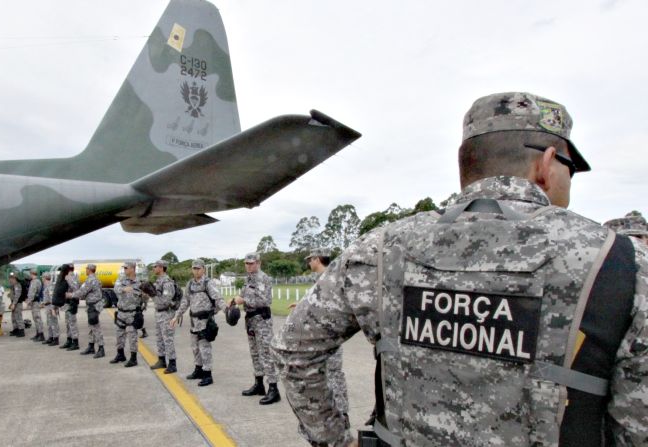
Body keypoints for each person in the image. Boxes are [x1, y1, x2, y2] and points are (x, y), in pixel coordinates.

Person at [273, 92, 648, 446]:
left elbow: (296, 348)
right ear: (547, 164)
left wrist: (334, 439)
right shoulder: (620, 263)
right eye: (572, 168)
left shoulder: (382, 249)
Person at [287, 248, 350, 423]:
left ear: (317, 259)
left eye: (310, 259)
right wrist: (300, 305)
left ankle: (343, 415)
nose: (309, 263)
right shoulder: (324, 278)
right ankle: (335, 415)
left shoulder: (329, 278)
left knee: (334, 374)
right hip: (321, 337)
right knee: (326, 375)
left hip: (329, 335)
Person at [170, 259, 225, 387]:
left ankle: (207, 374)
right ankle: (198, 369)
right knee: (195, 348)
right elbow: (185, 302)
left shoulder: (208, 283)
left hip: (205, 321)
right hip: (194, 321)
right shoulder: (190, 284)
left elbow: (218, 298)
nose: (196, 271)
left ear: (203, 269)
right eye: (194, 268)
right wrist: (176, 316)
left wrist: (226, 310)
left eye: (198, 268)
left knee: (204, 348)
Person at [234, 252, 280, 404]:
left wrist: (244, 299)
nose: (249, 266)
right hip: (251, 320)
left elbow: (266, 300)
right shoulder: (248, 279)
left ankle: (273, 388)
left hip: (262, 320)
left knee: (266, 353)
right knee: (255, 353)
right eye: (246, 263)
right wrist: (234, 301)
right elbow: (243, 295)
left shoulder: (263, 278)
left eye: (252, 263)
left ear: (258, 263)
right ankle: (259, 384)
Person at [111, 261, 145, 367]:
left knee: (132, 336)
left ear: (132, 269)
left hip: (132, 313)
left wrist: (141, 294)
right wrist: (123, 289)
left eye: (126, 268)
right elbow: (115, 289)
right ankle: (120, 355)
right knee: (119, 335)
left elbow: (145, 296)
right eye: (124, 268)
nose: (124, 270)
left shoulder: (140, 282)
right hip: (121, 312)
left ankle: (133, 358)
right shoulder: (121, 279)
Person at [149, 260, 178, 374]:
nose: (153, 268)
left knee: (168, 339)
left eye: (155, 266)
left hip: (166, 314)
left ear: (161, 268)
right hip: (159, 313)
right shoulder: (158, 281)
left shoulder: (167, 282)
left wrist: (153, 295)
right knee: (160, 339)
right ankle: (161, 360)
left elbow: (165, 301)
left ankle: (172, 363)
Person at [71, 264, 106, 359]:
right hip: (93, 305)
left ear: (90, 270)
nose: (85, 270)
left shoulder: (90, 280)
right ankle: (91, 346)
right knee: (91, 327)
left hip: (93, 306)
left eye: (86, 269)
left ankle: (101, 348)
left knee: (95, 327)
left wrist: (71, 295)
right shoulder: (96, 279)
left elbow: (81, 292)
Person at [51, 264, 71, 348]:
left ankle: (73, 342)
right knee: (68, 324)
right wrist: (55, 305)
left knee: (70, 324)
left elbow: (74, 290)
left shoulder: (68, 279)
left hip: (70, 304)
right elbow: (57, 291)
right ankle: (69, 340)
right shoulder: (61, 279)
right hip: (65, 304)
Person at [62, 264, 80, 351]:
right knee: (67, 323)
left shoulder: (73, 277)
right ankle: (69, 340)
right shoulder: (67, 277)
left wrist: (68, 280)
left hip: (72, 303)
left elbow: (76, 288)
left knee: (72, 323)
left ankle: (75, 342)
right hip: (67, 303)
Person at [25, 269, 45, 342]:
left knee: (37, 318)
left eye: (30, 274)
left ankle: (41, 334)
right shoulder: (36, 281)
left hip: (35, 302)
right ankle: (38, 334)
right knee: (35, 318)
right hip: (34, 301)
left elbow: (32, 292)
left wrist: (28, 301)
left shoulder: (35, 281)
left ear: (32, 274)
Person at [41, 272, 59, 346]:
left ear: (45, 278)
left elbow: (52, 298)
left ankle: (55, 338)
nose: (42, 279)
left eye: (42, 277)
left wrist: (53, 309)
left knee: (54, 323)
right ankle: (50, 337)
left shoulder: (50, 286)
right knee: (49, 323)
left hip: (52, 307)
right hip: (48, 307)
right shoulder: (46, 285)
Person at [7, 272, 25, 337]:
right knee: (13, 317)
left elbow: (17, 295)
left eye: (11, 278)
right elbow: (13, 294)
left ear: (14, 278)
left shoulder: (17, 285)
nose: (10, 279)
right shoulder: (12, 286)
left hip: (17, 304)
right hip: (14, 303)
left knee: (18, 317)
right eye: (9, 278)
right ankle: (16, 329)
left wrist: (13, 304)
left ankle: (21, 331)